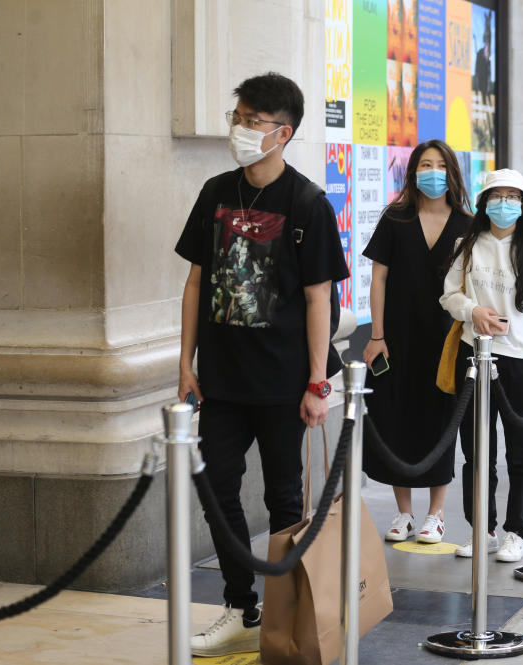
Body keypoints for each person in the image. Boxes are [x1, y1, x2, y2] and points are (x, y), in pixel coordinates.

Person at [175, 72, 349, 656]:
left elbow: (320, 297)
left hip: (284, 381)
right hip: (221, 379)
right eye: (239, 117)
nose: (242, 130)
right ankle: (240, 604)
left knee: (284, 498)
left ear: (284, 133)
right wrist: (185, 362)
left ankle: (281, 612)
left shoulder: (308, 203)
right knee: (217, 485)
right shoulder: (215, 192)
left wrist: (318, 381)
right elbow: (197, 280)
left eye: (255, 121)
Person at [440, 168, 523, 563]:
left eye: (512, 197)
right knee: (477, 452)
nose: (504, 203)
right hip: (475, 357)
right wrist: (473, 311)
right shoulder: (468, 244)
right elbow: (449, 295)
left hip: (521, 362)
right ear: (484, 202)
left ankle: (516, 531)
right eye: (497, 195)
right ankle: (483, 530)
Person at [361, 139, 472, 544]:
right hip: (396, 338)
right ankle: (404, 513)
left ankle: (436, 514)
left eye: (440, 165)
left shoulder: (466, 223)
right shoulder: (396, 218)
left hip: (446, 341)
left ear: (452, 172)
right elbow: (379, 278)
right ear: (413, 172)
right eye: (425, 164)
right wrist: (377, 335)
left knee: (440, 421)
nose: (432, 172)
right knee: (397, 420)